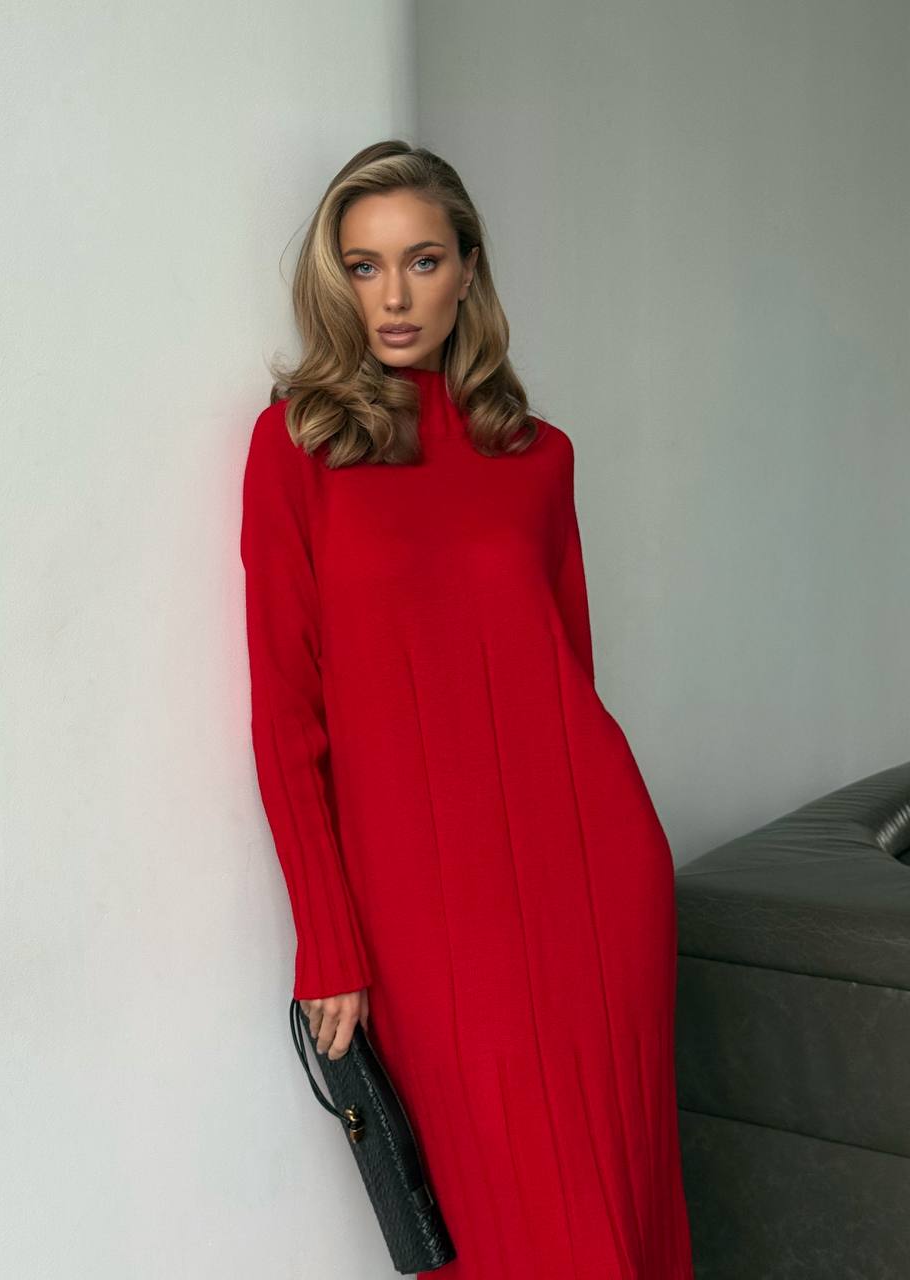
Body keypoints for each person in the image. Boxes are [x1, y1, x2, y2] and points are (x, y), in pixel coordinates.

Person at [239, 139, 694, 1279]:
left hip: (590, 875)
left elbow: (566, 675)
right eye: (363, 265)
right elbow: (285, 709)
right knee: (502, 1217)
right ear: (334, 280)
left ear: (467, 270)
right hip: (423, 900)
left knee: (609, 1197)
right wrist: (327, 931)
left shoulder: (539, 457)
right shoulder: (299, 445)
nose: (393, 296)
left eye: (422, 259)